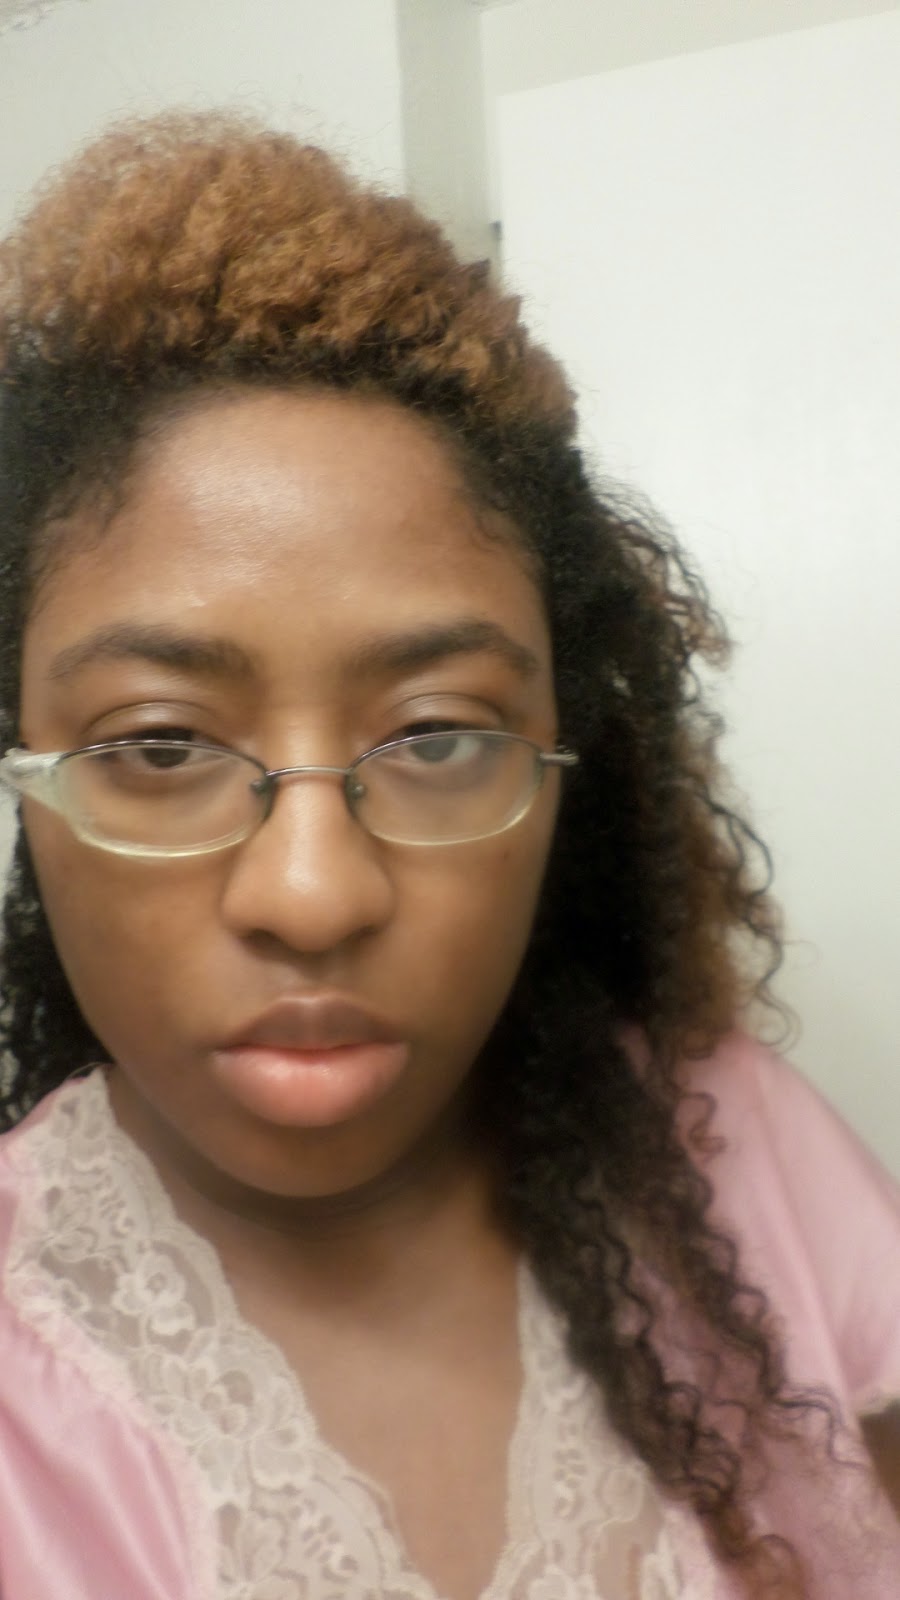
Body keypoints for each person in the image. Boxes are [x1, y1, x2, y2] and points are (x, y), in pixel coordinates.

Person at [0, 111, 897, 1600]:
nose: (313, 894)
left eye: (434, 737)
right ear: (27, 774)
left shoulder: (743, 1151)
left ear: (563, 766)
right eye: (159, 745)